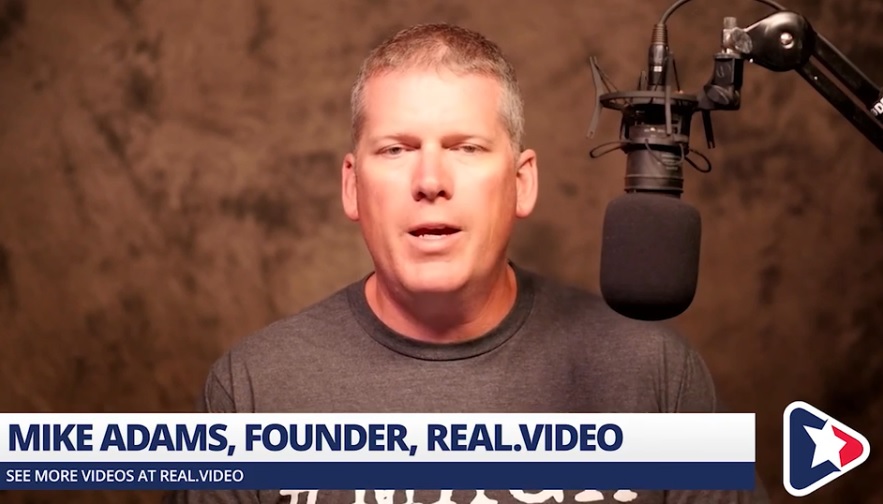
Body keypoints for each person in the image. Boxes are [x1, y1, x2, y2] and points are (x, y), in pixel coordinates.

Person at [165, 23, 768, 504]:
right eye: (396, 149)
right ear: (352, 187)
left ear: (521, 182)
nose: (430, 180)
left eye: (466, 148)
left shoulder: (654, 375)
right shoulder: (253, 390)